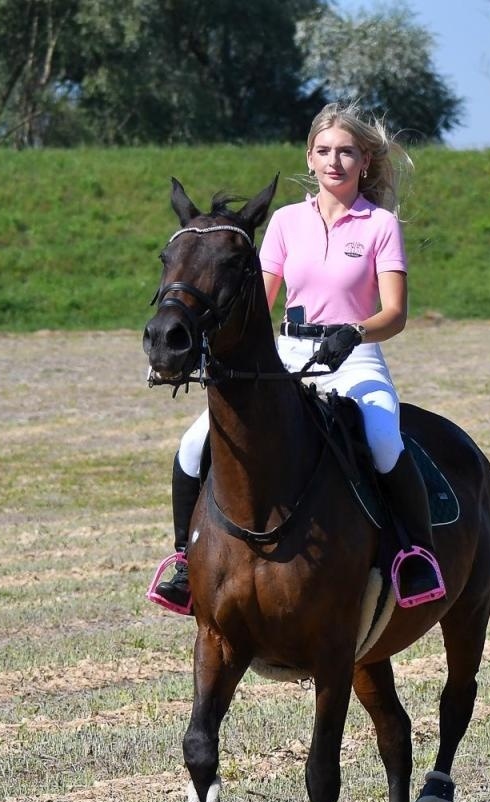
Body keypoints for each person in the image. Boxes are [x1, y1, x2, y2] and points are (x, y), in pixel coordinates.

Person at [149, 102, 443, 614]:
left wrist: (352, 333)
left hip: (354, 357)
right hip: (285, 353)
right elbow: (255, 305)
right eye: (325, 151)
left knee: (382, 437)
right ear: (309, 159)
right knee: (193, 442)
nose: (335, 162)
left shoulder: (379, 226)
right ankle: (183, 560)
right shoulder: (285, 222)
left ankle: (413, 554)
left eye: (347, 152)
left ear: (365, 162)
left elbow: (394, 314)